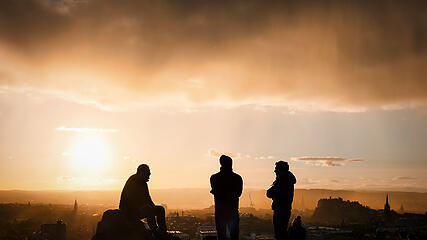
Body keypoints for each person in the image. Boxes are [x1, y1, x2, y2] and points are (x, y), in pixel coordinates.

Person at [119, 164, 167, 238]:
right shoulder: (132, 181)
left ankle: (163, 232)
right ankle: (156, 233)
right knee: (149, 210)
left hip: (138, 209)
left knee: (160, 209)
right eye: (148, 173)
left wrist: (154, 207)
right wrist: (145, 207)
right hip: (128, 212)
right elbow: (130, 201)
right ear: (142, 173)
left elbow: (148, 199)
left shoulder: (144, 184)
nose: (149, 175)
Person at [210, 155, 243, 240]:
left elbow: (215, 192)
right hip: (233, 211)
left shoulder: (214, 178)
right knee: (234, 236)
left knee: (221, 236)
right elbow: (238, 193)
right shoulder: (237, 178)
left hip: (220, 212)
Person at [266, 161, 296, 240]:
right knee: (282, 231)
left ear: (281, 170)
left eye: (276, 169)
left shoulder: (282, 180)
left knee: (280, 233)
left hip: (280, 209)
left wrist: (271, 191)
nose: (274, 171)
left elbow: (270, 193)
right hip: (284, 208)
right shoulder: (287, 179)